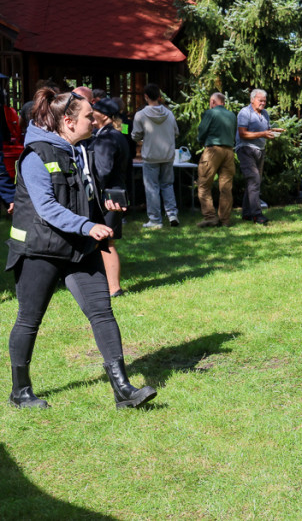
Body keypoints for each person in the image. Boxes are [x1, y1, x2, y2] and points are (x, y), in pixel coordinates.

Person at [7, 87, 156, 409]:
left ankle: (123, 390)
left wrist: (106, 208)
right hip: (39, 250)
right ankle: (20, 392)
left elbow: (82, 197)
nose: (95, 119)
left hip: (79, 249)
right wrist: (87, 226)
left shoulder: (79, 151)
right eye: (89, 116)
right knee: (29, 320)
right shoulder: (36, 155)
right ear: (68, 121)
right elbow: (46, 206)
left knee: (102, 312)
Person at [90, 98, 130, 296]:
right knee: (106, 241)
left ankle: (114, 288)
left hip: (108, 196)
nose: (90, 112)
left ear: (104, 116)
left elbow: (103, 170)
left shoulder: (106, 138)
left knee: (106, 241)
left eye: (94, 110)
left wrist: (93, 190)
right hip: (115, 192)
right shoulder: (117, 134)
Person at [131, 83, 179, 229]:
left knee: (152, 187)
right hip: (167, 155)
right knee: (167, 185)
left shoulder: (140, 115)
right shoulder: (169, 114)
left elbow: (135, 135)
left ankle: (155, 220)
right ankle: (172, 214)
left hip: (151, 155)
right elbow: (176, 133)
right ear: (159, 96)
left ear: (146, 97)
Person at [236, 89, 284, 225]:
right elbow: (243, 134)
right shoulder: (245, 113)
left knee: (253, 182)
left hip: (260, 150)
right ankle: (257, 214)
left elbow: (266, 130)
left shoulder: (265, 113)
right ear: (252, 100)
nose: (263, 103)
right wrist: (263, 134)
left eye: (264, 101)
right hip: (246, 150)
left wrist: (274, 131)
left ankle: (246, 214)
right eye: (260, 100)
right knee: (254, 179)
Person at [195, 93, 237, 228]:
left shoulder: (210, 113)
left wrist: (200, 141)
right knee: (226, 187)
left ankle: (210, 217)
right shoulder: (232, 115)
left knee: (203, 184)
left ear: (213, 101)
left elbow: (202, 131)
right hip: (229, 151)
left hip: (213, 151)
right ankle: (225, 220)